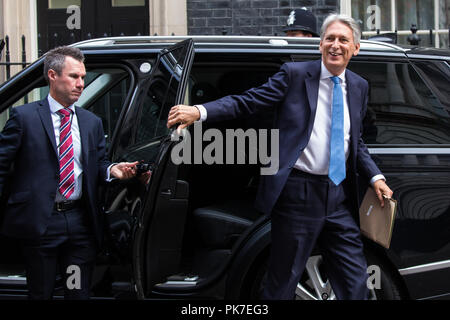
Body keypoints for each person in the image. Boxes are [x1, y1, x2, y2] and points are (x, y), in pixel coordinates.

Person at [167, 13, 394, 300]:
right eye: (330, 39)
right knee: (281, 283)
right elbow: (247, 102)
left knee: (356, 282)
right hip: (298, 195)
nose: (335, 45)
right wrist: (199, 111)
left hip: (339, 198)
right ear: (320, 44)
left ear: (356, 48)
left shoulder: (359, 86)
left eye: (343, 40)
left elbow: (355, 140)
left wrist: (376, 176)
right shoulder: (295, 75)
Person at [0, 46, 140, 299]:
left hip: (79, 224)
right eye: (74, 76)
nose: (81, 83)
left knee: (77, 291)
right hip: (41, 223)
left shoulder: (91, 122)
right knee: (41, 292)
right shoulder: (25, 117)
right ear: (52, 76)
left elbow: (97, 163)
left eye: (83, 77)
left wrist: (112, 170)